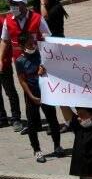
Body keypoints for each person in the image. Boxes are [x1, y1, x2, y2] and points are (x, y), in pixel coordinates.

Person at [0, 0, 52, 133]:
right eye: (11, 4)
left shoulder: (37, 18)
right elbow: (4, 40)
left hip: (38, 60)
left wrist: (45, 63)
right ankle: (34, 124)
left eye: (15, 4)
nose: (12, 7)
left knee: (44, 89)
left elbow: (48, 39)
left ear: (23, 5)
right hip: (20, 62)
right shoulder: (8, 20)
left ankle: (52, 124)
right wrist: (0, 58)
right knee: (27, 90)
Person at [15, 33, 64, 163]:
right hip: (32, 95)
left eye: (34, 42)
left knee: (52, 119)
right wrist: (31, 96)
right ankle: (37, 151)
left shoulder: (42, 54)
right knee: (32, 124)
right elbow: (22, 80)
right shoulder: (19, 61)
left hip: (46, 93)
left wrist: (43, 72)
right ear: (21, 46)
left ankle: (57, 146)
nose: (33, 45)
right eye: (30, 43)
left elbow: (53, 70)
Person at [0, 14, 22, 131]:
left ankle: (16, 118)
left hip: (3, 63)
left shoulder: (2, 21)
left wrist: (3, 58)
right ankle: (2, 118)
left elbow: (6, 41)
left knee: (10, 91)